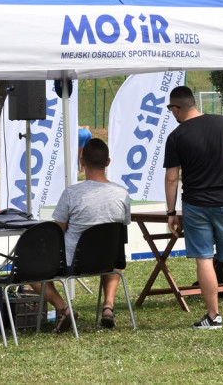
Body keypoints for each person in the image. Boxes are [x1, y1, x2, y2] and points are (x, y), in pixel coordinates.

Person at [163, 85, 223, 329]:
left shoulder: (176, 136)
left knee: (204, 259)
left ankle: (213, 316)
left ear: (176, 108)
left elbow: (172, 178)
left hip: (195, 205)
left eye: (171, 109)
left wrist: (171, 212)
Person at [38, 138, 131, 332]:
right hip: (108, 259)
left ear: (82, 162)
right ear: (108, 162)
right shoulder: (122, 193)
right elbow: (121, 229)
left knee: (32, 269)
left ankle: (64, 309)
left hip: (74, 262)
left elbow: (57, 231)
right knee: (114, 261)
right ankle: (108, 305)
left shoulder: (71, 193)